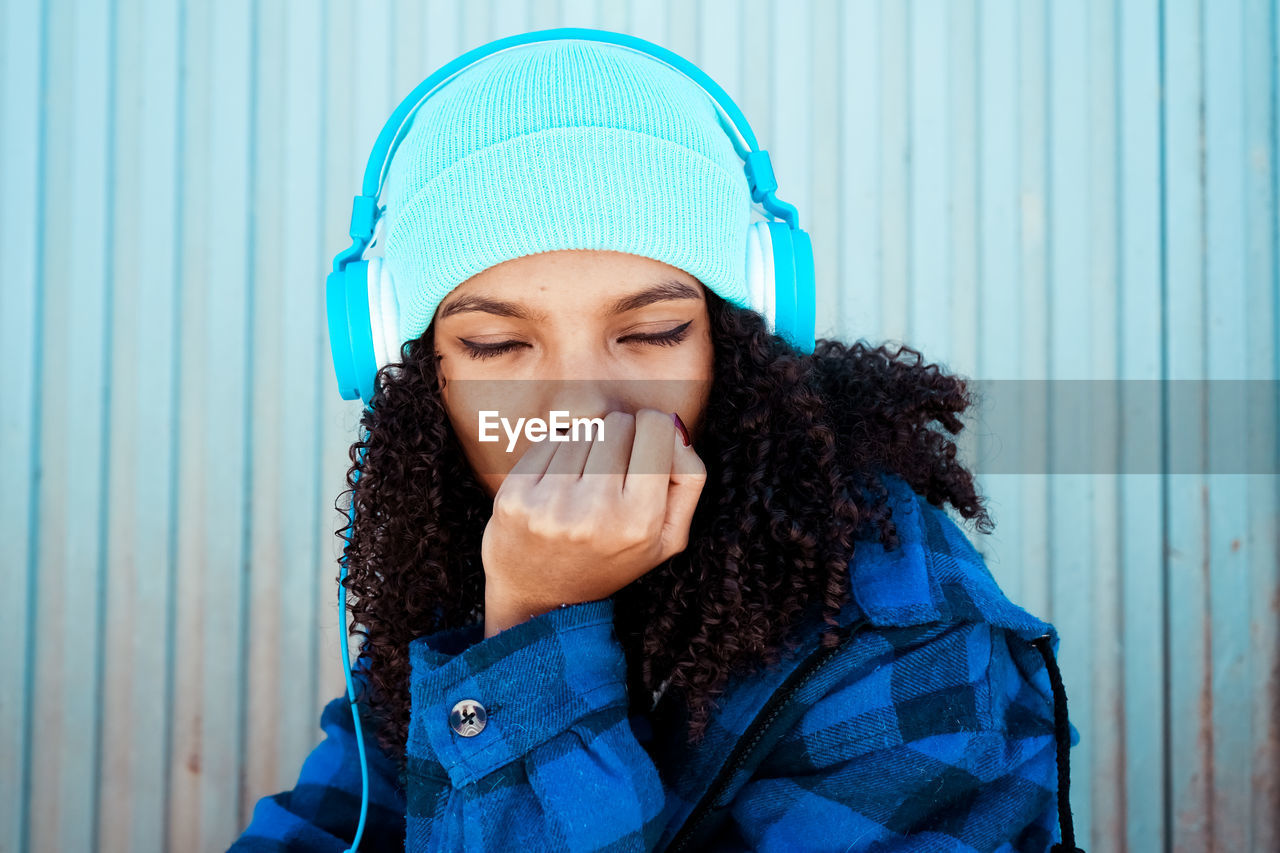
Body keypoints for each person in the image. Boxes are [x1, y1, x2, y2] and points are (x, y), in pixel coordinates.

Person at [229, 35, 1082, 853]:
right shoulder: (460, 561)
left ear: (738, 345)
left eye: (652, 333)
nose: (581, 409)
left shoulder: (909, 635)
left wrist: (532, 624)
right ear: (420, 375)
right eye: (496, 346)